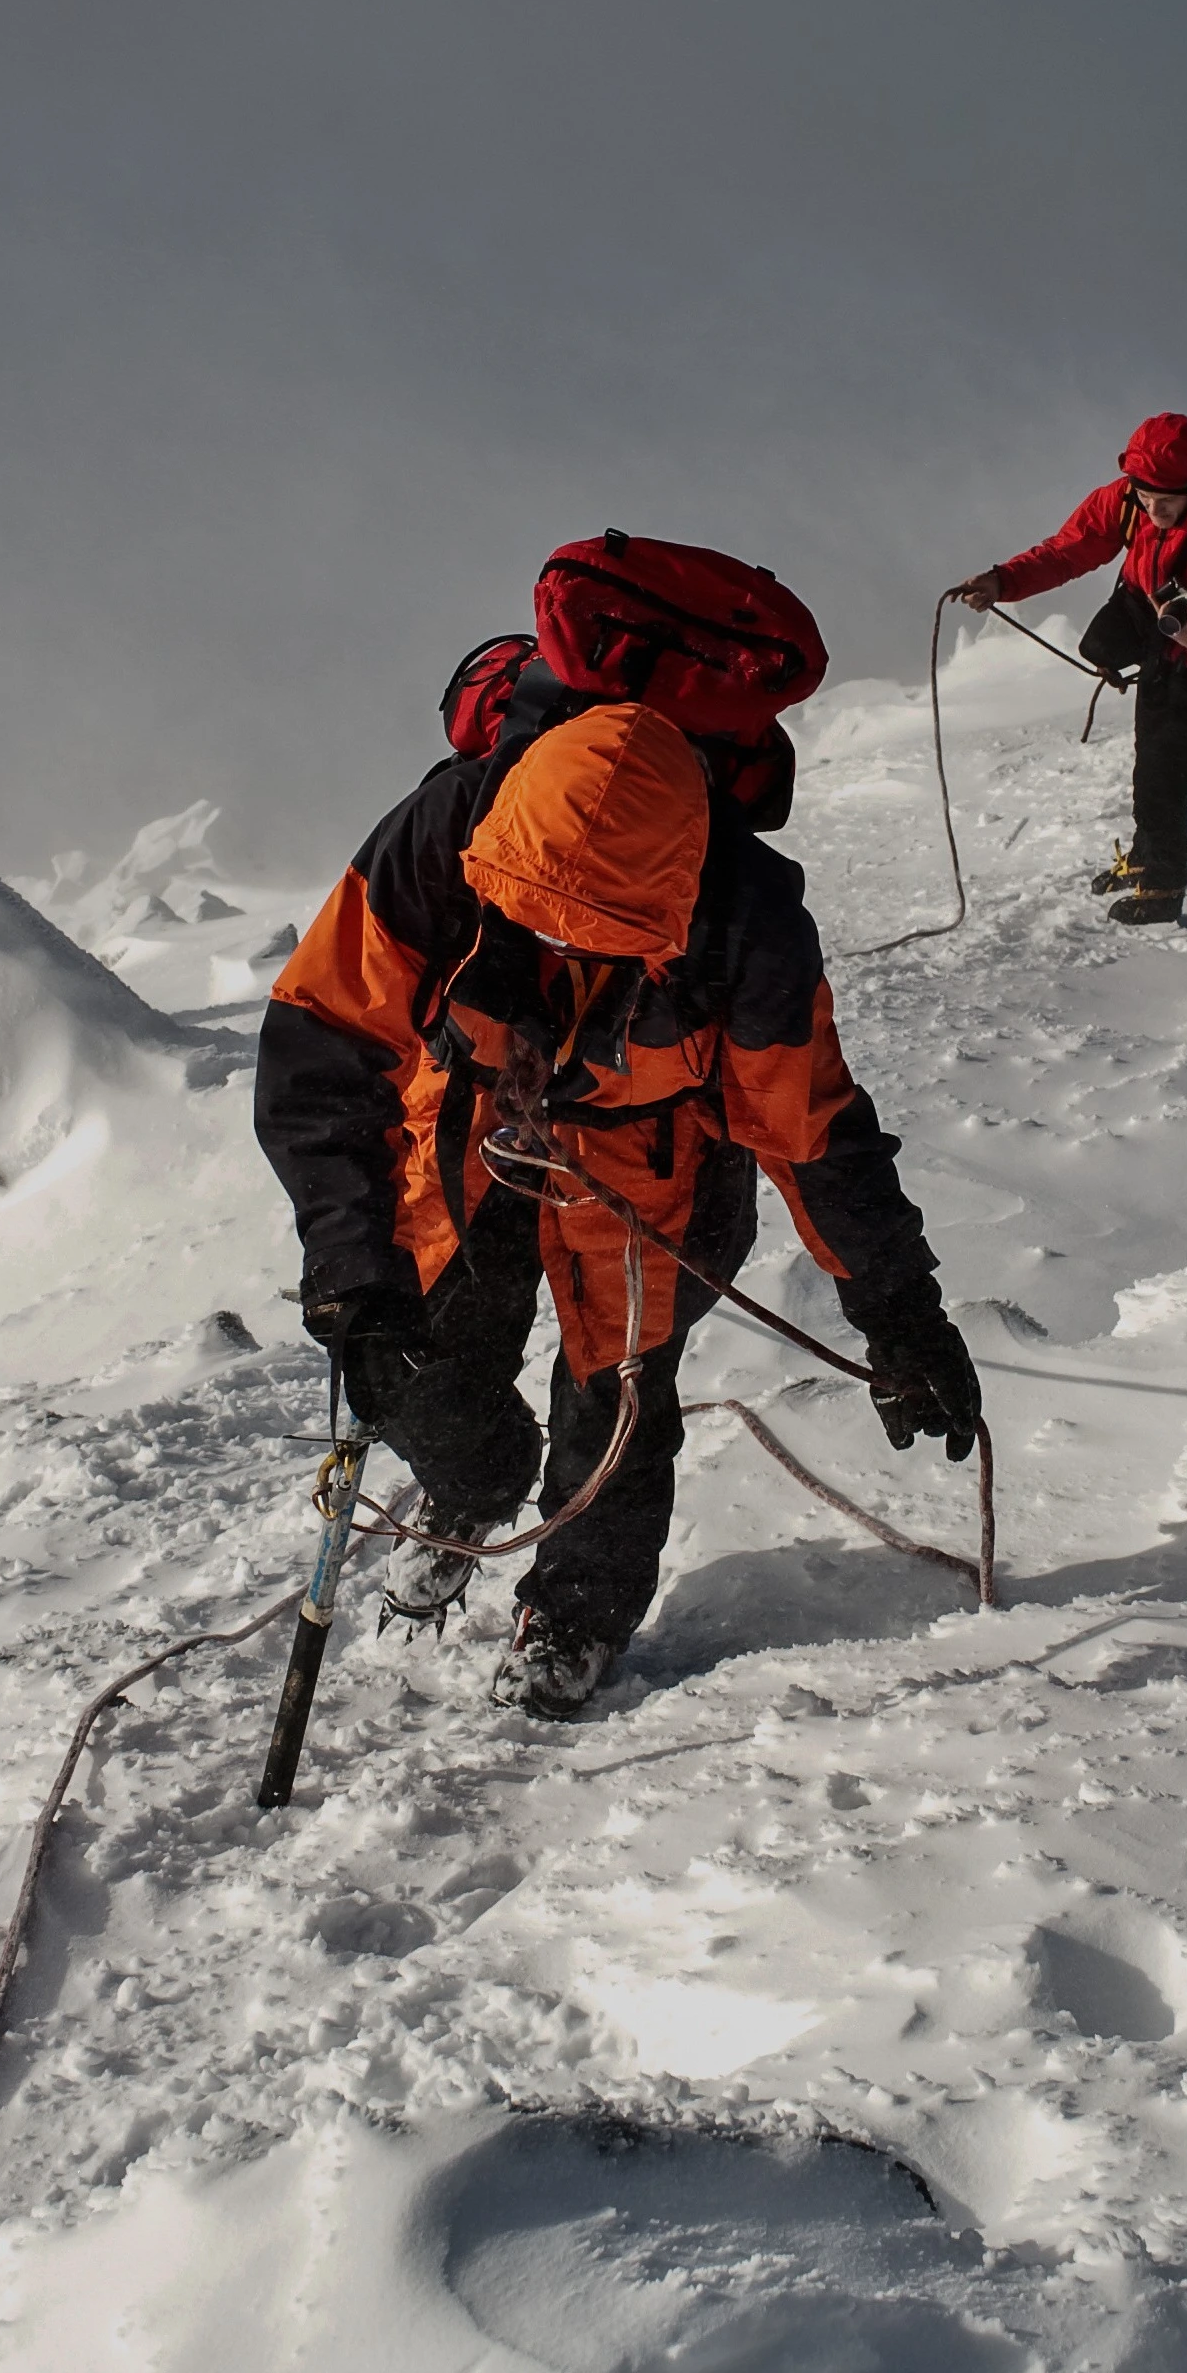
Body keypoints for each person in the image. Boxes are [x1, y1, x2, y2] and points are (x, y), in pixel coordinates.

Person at [254, 692, 981, 1719]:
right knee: (429, 1352)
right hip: (473, 1125)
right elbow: (320, 1040)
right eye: (534, 918)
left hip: (656, 1165)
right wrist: (350, 1268)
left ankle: (575, 1612)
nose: (554, 943)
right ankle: (467, 1490)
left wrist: (900, 1312)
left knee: (617, 1392)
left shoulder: (749, 927)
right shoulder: (442, 836)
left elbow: (812, 1135)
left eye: (593, 932)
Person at [954, 411, 1187, 926]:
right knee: (1147, 751)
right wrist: (1004, 582)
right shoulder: (1126, 500)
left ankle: (1163, 886)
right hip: (1162, 636)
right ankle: (1146, 854)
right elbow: (1069, 549)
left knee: (1163, 774)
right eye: (1145, 495)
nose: (1153, 510)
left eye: (1166, 500)